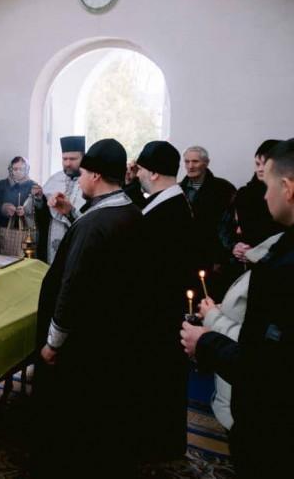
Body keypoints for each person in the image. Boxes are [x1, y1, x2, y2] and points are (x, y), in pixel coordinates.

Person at [181, 137, 294, 477]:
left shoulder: (286, 266)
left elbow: (267, 367)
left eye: (269, 186)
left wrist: (206, 341)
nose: (264, 196)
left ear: (288, 189)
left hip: (278, 429)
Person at [32, 138, 146, 477]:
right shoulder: (129, 210)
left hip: (84, 340)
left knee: (73, 417)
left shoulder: (94, 225)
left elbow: (72, 287)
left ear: (95, 175)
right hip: (111, 335)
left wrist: (53, 343)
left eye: (82, 172)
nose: (79, 178)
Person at [134, 140, 197, 461]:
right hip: (164, 312)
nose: (137, 174)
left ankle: (157, 447)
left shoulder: (166, 213)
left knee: (159, 382)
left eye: (141, 169)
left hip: (158, 316)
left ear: (154, 173)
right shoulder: (170, 202)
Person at [198, 232, 281, 432]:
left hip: (252, 407)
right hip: (235, 399)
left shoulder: (283, 266)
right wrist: (219, 310)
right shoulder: (276, 257)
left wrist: (212, 319)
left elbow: (262, 343)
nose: (237, 232)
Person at [219, 140, 284, 281]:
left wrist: (258, 253)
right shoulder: (244, 193)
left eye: (265, 164)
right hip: (242, 266)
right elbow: (226, 226)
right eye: (257, 164)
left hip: (277, 265)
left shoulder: (287, 194)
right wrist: (234, 246)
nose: (260, 169)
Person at [179, 146, 236, 294]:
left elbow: (229, 228)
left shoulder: (224, 189)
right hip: (186, 260)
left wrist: (222, 259)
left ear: (206, 163)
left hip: (215, 263)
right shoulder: (178, 190)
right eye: (187, 162)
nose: (190, 166)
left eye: (195, 161)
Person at [40, 136, 86, 263]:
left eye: (73, 159)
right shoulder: (54, 179)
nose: (67, 163)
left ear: (83, 158)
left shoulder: (90, 181)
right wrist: (38, 198)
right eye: (64, 159)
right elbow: (42, 212)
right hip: (54, 237)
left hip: (80, 237)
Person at [0, 156, 44, 256]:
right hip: (4, 228)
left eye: (21, 169)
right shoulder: (2, 184)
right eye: (15, 169)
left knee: (26, 258)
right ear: (10, 169)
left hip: (26, 230)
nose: (18, 172)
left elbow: (39, 207)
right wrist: (4, 208)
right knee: (5, 258)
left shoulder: (33, 185)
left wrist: (25, 210)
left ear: (27, 169)